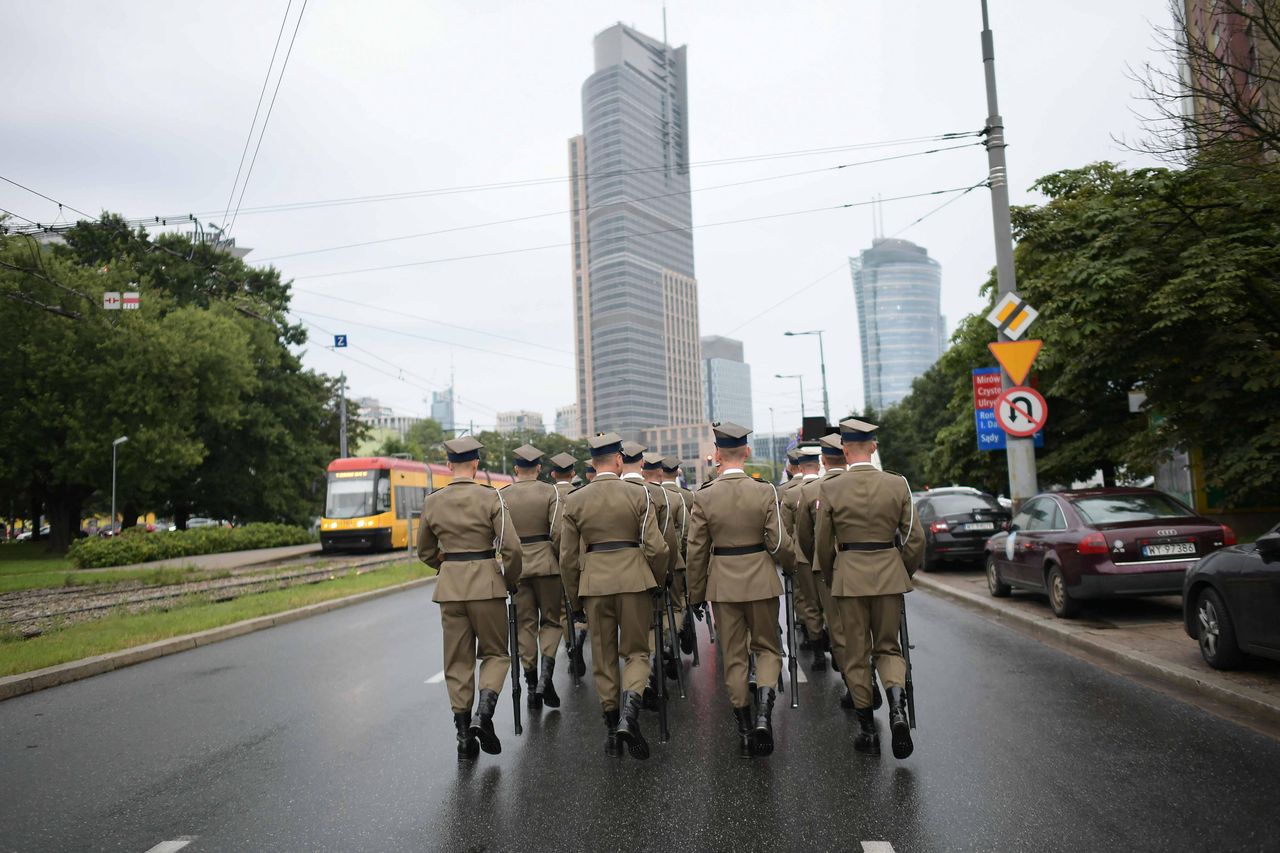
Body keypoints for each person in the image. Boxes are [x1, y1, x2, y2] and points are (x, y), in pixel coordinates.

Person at [814, 418, 925, 760]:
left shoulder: (830, 488)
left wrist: (834, 577)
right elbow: (914, 538)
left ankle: (867, 731)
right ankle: (896, 711)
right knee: (890, 648)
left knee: (856, 653)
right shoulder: (897, 484)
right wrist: (900, 570)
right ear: (873, 447)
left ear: (845, 450)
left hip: (849, 577)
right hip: (888, 573)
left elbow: (822, 544)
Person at [686, 422, 795, 758]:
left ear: (717, 454)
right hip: (761, 579)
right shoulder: (765, 492)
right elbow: (777, 541)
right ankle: (764, 713)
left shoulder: (703, 496)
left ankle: (746, 729)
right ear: (746, 452)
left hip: (723, 585)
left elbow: (696, 551)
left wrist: (695, 593)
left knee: (733, 658)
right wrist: (791, 563)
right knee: (767, 648)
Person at [560, 432, 669, 759]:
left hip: (594, 584)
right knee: (636, 653)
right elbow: (657, 547)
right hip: (634, 579)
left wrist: (575, 600)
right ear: (620, 460)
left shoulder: (575, 500)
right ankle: (629, 713)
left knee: (604, 657)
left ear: (592, 463)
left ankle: (611, 724)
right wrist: (657, 582)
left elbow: (567, 558)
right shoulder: (639, 494)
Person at [417, 436, 523, 762]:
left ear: (449, 465)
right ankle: (484, 714)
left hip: (450, 590)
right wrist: (509, 580)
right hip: (487, 586)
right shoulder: (490, 498)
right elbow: (512, 548)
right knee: (495, 654)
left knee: (457, 661)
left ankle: (464, 737)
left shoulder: (433, 501)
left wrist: (446, 566)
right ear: (476, 464)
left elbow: (424, 551)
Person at [505, 444, 565, 710]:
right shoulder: (550, 492)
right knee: (552, 622)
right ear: (539, 468)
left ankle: (530, 685)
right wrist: (558, 558)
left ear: (516, 469)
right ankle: (545, 676)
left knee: (525, 626)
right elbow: (559, 532)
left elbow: (502, 537)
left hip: (518, 568)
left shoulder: (502, 495)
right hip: (547, 565)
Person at [620, 441, 680, 706]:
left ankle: (633, 690)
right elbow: (666, 541)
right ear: (642, 464)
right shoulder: (659, 494)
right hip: (649, 572)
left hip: (618, 575)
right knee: (649, 631)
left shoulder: (610, 491)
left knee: (628, 637)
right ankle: (648, 676)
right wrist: (663, 575)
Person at [796, 434, 852, 698]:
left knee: (837, 627)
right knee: (870, 633)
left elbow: (807, 538)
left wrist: (820, 565)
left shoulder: (811, 491)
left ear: (822, 460)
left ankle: (856, 687)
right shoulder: (878, 482)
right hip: (873, 567)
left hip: (827, 565)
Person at [779, 444, 828, 669]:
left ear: (796, 467)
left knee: (808, 603)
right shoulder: (829, 486)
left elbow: (786, 532)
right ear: (818, 466)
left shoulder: (788, 493)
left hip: (803, 555)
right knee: (831, 603)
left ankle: (817, 648)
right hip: (829, 554)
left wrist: (789, 559)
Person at [549, 452, 588, 678]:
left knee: (565, 610)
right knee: (582, 605)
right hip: (583, 558)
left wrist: (559, 553)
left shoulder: (551, 494)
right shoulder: (580, 494)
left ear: (553, 473)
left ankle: (571, 643)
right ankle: (581, 638)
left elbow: (555, 532)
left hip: (559, 559)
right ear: (573, 473)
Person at [660, 456, 698, 652]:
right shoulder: (687, 496)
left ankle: (666, 639)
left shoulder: (649, 493)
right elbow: (689, 532)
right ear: (676, 473)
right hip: (678, 559)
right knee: (679, 600)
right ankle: (676, 630)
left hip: (652, 558)